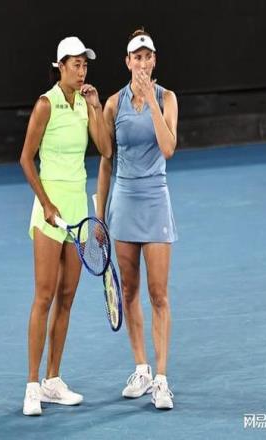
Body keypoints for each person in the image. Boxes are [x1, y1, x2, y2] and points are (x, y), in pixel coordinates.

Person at [20, 36, 111, 416]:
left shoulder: (85, 103)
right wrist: (45, 203)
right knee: (44, 295)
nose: (82, 70)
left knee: (67, 297)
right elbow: (26, 159)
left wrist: (96, 107)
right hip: (49, 212)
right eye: (76, 64)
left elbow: (105, 148)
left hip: (77, 210)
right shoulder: (46, 104)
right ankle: (31, 386)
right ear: (60, 66)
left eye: (85, 64)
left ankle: (53, 380)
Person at [95, 28, 178, 410]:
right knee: (129, 291)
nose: (142, 63)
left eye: (148, 57)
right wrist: (100, 216)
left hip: (156, 201)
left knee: (158, 294)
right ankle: (141, 368)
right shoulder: (113, 104)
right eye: (137, 57)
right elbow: (106, 160)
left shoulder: (168, 98)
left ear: (154, 60)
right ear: (127, 62)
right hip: (124, 203)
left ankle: (161, 379)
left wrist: (152, 103)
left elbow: (168, 148)